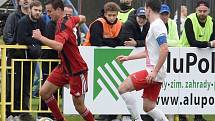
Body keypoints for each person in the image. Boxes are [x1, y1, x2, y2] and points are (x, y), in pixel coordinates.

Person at [32, 0, 94, 121]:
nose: (47, 14)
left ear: (59, 10)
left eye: (50, 11)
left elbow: (58, 46)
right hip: (64, 67)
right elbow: (82, 18)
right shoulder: (69, 19)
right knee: (44, 92)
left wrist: (40, 37)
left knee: (79, 107)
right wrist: (78, 23)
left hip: (77, 70)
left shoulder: (63, 25)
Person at [116, 0, 169, 121]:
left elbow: (164, 49)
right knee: (149, 107)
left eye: (145, 9)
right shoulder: (155, 25)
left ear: (148, 9)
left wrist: (154, 72)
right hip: (155, 73)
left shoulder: (156, 26)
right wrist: (128, 58)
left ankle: (136, 119)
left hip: (152, 72)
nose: (145, 11)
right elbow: (148, 52)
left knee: (122, 88)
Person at [179, 0, 215, 121]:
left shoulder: (212, 21)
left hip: (202, 59)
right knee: (184, 87)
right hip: (184, 58)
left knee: (200, 86)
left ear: (208, 11)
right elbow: (192, 42)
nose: (202, 13)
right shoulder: (189, 20)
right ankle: (182, 115)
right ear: (196, 10)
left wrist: (210, 44)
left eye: (205, 11)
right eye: (200, 11)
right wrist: (209, 44)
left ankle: (198, 116)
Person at [3, 0, 31, 119]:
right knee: (13, 87)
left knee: (26, 87)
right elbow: (6, 36)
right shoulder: (13, 16)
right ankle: (10, 114)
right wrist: (17, 45)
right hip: (14, 58)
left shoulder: (35, 17)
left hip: (29, 58)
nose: (25, 1)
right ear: (19, 2)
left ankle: (23, 114)